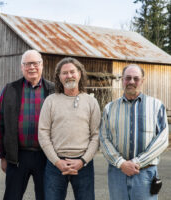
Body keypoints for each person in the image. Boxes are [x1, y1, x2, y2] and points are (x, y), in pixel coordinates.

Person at [99, 64, 169, 200]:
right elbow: (104, 138)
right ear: (122, 80)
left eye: (136, 78)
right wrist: (121, 163)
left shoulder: (156, 106)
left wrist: (137, 162)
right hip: (117, 173)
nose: (131, 81)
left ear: (142, 81)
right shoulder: (109, 108)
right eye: (128, 78)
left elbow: (162, 139)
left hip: (145, 173)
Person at [38, 57, 100, 200]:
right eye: (64, 73)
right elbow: (43, 133)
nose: (69, 75)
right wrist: (57, 161)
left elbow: (96, 135)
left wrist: (83, 161)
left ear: (79, 74)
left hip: (83, 165)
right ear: (59, 77)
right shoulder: (50, 101)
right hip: (55, 165)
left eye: (72, 71)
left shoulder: (91, 102)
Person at [0, 49, 54, 200]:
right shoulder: (10, 89)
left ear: (42, 65)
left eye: (35, 63)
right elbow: (0, 124)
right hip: (17, 156)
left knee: (46, 197)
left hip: (46, 156)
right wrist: (3, 156)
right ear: (22, 67)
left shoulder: (53, 90)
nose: (31, 67)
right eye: (27, 64)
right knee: (12, 197)